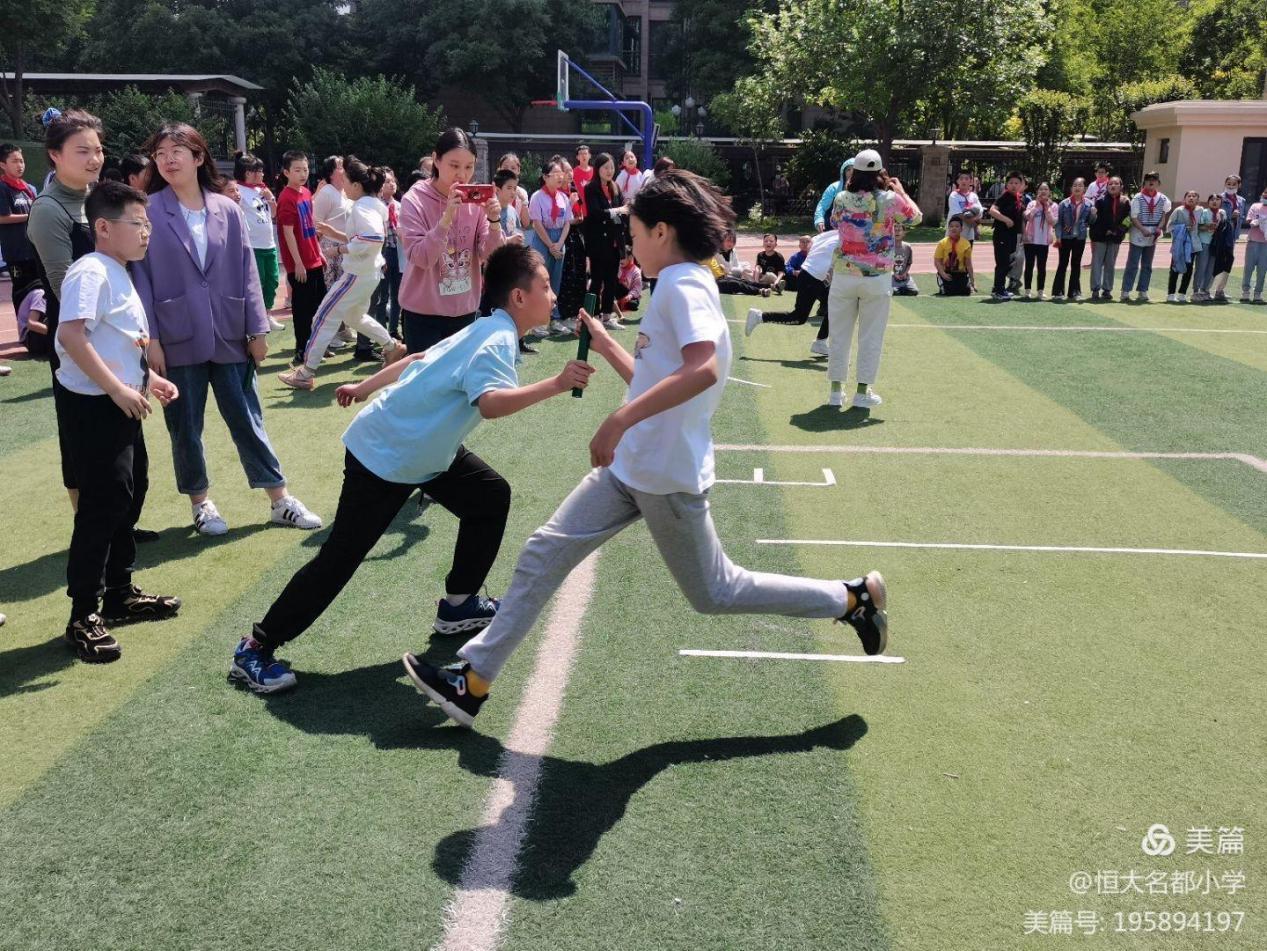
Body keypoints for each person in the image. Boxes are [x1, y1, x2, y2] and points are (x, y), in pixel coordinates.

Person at [404, 170, 890, 728]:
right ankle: (474, 679)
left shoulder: (683, 284)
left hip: (664, 472)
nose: (628, 243)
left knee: (715, 591)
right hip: (636, 465)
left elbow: (702, 368)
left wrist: (618, 418)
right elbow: (659, 376)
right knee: (545, 550)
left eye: (633, 231)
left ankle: (852, 599)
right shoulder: (678, 282)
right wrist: (610, 348)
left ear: (661, 231)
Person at [227, 244, 595, 694]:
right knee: (340, 558)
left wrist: (364, 386)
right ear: (519, 297)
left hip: (421, 453)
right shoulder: (496, 338)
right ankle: (255, 649)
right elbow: (491, 404)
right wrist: (557, 383)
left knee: (489, 495)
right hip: (389, 455)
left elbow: (419, 359)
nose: (553, 295)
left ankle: (459, 606)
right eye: (544, 287)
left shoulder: (488, 328)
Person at [134, 122, 321, 537]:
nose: (167, 160)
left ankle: (279, 498)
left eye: (177, 151)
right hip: (175, 334)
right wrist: (153, 342)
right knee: (185, 426)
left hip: (231, 331)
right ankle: (200, 502)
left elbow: (247, 271)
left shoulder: (227, 209)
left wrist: (258, 329)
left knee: (248, 418)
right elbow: (141, 279)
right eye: (161, 153)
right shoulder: (147, 210)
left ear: (198, 157)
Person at [54, 179, 182, 663]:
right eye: (138, 224)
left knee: (130, 494)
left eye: (148, 223)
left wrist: (147, 377)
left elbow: (115, 339)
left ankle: (120, 593)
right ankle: (83, 615)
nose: (147, 232)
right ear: (103, 227)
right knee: (102, 507)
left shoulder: (117, 268)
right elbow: (71, 335)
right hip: (94, 407)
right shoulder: (91, 271)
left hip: (122, 401)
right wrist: (116, 388)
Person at [27, 109, 104, 513]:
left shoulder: (98, 199)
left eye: (98, 149)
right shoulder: (47, 209)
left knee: (115, 435)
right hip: (75, 336)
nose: (94, 158)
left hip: (111, 332)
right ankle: (88, 523)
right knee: (80, 434)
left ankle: (116, 522)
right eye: (82, 151)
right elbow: (65, 288)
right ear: (54, 155)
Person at [278, 158, 408, 390]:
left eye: (346, 181)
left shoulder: (362, 206)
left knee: (322, 317)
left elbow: (371, 239)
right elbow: (365, 238)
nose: (343, 185)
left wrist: (337, 248)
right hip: (368, 274)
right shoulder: (372, 204)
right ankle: (391, 346)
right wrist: (335, 234)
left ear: (357, 185)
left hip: (356, 275)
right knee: (354, 318)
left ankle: (305, 373)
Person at [826, 150, 921, 408]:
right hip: (877, 277)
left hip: (845, 274)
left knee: (839, 335)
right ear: (881, 173)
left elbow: (835, 222)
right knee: (871, 336)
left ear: (854, 172)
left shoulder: (842, 198)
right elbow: (915, 217)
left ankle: (836, 392)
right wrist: (901, 191)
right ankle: (862, 392)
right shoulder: (890, 199)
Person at [399, 128, 504, 353]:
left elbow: (491, 256)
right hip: (423, 313)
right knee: (425, 384)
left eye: (469, 167)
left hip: (464, 311)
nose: (462, 174)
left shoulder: (476, 201)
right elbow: (421, 257)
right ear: (436, 159)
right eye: (454, 165)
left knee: (458, 383)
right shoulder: (414, 200)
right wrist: (446, 219)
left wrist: (494, 222)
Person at [745, 228, 838, 355]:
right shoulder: (845, 237)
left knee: (835, 308)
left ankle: (820, 342)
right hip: (812, 277)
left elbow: (811, 243)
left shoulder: (831, 234)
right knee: (799, 317)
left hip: (812, 275)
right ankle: (760, 316)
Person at [276, 150, 326, 362]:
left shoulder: (305, 193)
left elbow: (310, 227)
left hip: (313, 260)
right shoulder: (286, 197)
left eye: (305, 169)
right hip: (300, 264)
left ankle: (315, 347)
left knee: (319, 306)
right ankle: (301, 350)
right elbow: (287, 232)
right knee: (302, 309)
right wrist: (297, 263)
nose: (302, 174)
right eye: (297, 170)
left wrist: (320, 252)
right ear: (286, 172)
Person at [233, 152, 283, 329]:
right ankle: (257, 317)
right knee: (258, 282)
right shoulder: (238, 190)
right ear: (248, 172)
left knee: (272, 280)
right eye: (259, 171)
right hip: (253, 245)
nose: (262, 174)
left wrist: (270, 198)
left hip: (269, 243)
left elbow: (275, 214)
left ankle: (267, 314)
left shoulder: (261, 190)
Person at [526, 157, 573, 334]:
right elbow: (536, 223)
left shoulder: (563, 197)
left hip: (559, 239)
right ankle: (536, 321)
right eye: (556, 174)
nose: (560, 177)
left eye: (561, 173)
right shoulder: (537, 197)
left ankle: (554, 318)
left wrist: (559, 243)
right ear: (545, 177)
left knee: (556, 280)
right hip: (542, 239)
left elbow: (567, 222)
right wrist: (550, 245)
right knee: (539, 280)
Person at [582, 151, 625, 326]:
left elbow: (623, 212)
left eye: (612, 167)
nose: (609, 171)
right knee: (597, 279)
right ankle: (593, 315)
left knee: (611, 280)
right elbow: (595, 213)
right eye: (605, 167)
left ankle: (607, 315)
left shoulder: (615, 187)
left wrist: (625, 244)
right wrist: (617, 211)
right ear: (597, 168)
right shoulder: (590, 188)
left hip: (614, 241)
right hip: (598, 242)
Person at [1120, 171, 1170, 302]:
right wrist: (1142, 229)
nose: (1151, 182)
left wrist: (1158, 228)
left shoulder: (1163, 199)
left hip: (1152, 234)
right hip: (1138, 232)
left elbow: (1163, 216)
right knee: (1133, 264)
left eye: (1154, 179)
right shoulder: (1138, 198)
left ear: (1158, 183)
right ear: (1144, 182)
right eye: (1148, 180)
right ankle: (1125, 291)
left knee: (1147, 265)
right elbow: (1134, 217)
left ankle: (1143, 290)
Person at [0, 144, 40, 309]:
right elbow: (2, 218)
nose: (20, 165)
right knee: (21, 291)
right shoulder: (2, 188)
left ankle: (39, 330)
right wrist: (30, 216)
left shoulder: (30, 189)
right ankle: (24, 329)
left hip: (35, 251)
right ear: (2, 164)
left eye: (22, 161)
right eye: (15, 161)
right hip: (16, 254)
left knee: (40, 291)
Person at [369, 169, 403, 337]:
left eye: (393, 181)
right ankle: (381, 333)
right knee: (383, 296)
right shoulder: (376, 205)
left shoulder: (399, 206)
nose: (392, 184)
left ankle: (394, 330)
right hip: (384, 252)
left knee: (397, 295)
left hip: (398, 252)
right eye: (387, 181)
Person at [1088, 176, 1130, 301]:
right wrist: (1104, 230)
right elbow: (1095, 220)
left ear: (1121, 187)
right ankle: (1095, 289)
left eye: (1116, 183)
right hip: (1101, 237)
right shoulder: (1100, 200)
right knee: (1097, 263)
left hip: (1115, 238)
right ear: (1107, 186)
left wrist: (1118, 231)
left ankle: (1107, 290)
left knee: (1110, 265)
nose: (1113, 186)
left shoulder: (1125, 201)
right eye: (1110, 183)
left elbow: (1128, 220)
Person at [1052, 177, 1092, 300]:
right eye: (1075, 185)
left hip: (1079, 238)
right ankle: (1058, 292)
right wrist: (1058, 237)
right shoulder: (1064, 204)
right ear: (1071, 188)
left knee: (1076, 264)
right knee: (1062, 264)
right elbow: (1058, 223)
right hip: (1065, 237)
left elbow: (1090, 222)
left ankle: (1074, 292)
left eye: (1080, 186)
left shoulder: (1089, 204)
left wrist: (1094, 214)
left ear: (1084, 189)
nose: (1077, 188)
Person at [987, 171, 1025, 300]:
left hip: (1013, 236)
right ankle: (998, 290)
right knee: (1002, 263)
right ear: (1007, 185)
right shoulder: (1005, 197)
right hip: (1002, 235)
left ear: (1021, 185)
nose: (1014, 185)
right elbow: (992, 210)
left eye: (1016, 183)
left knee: (1007, 263)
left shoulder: (1019, 198)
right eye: (1011, 183)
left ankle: (999, 288)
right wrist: (1006, 220)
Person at [1165, 190, 1202, 303]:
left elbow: (1202, 224)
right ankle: (1171, 294)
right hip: (1180, 244)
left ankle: (1182, 293)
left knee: (1189, 269)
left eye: (1194, 196)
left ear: (1197, 200)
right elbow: (1169, 226)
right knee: (1175, 268)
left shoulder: (1200, 211)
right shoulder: (1179, 210)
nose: (1191, 198)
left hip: (1193, 244)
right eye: (1189, 196)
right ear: (1184, 199)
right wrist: (1183, 227)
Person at [1022, 182, 1057, 299]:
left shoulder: (1054, 206)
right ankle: (1027, 291)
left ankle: (1040, 291)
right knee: (1029, 266)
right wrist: (1037, 207)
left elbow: (1052, 222)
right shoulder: (1032, 204)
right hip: (1031, 241)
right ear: (1037, 192)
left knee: (1042, 267)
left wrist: (1046, 208)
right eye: (1041, 189)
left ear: (1049, 193)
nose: (1043, 191)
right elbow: (1027, 217)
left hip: (1043, 241)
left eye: (1046, 189)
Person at [712, 230, 770, 296]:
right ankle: (760, 291)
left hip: (724, 276)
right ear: (722, 241)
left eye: (733, 241)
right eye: (728, 240)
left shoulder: (732, 250)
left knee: (743, 280)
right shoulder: (714, 253)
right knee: (736, 283)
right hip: (716, 281)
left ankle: (770, 286)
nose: (730, 243)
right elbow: (727, 268)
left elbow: (735, 265)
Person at [1191, 194, 1223, 302]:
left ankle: (1205, 290)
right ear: (1208, 202)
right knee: (1201, 267)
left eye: (1217, 200)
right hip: (1204, 243)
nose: (1215, 202)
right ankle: (1196, 291)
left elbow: (1225, 227)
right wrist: (1207, 226)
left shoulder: (1222, 213)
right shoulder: (1204, 212)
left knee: (1211, 268)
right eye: (1212, 200)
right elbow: (1198, 227)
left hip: (1216, 244)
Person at [933, 215, 973, 296]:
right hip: (947, 272)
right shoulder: (942, 243)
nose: (954, 228)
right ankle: (942, 284)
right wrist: (943, 274)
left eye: (957, 226)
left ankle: (967, 283)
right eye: (951, 226)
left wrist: (972, 280)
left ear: (961, 229)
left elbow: (968, 263)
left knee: (965, 292)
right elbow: (937, 261)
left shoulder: (966, 244)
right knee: (948, 292)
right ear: (948, 228)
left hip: (960, 273)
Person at [814, 158, 854, 232]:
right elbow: (822, 206)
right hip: (833, 229)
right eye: (848, 169)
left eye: (854, 170)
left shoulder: (865, 191)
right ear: (843, 173)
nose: (851, 172)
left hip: (857, 230)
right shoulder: (833, 188)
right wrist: (819, 220)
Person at [1242, 185, 1267, 303]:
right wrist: (1255, 222)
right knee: (1248, 268)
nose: (1265, 196)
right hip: (1253, 241)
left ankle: (1258, 293)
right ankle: (1245, 292)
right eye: (1265, 193)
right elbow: (1248, 219)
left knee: (1262, 270)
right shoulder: (1255, 206)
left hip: (1265, 244)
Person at [946, 171, 983, 243]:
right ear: (957, 181)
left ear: (971, 182)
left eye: (966, 179)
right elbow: (958, 214)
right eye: (961, 179)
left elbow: (980, 212)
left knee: (967, 254)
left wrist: (976, 225)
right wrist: (974, 225)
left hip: (969, 236)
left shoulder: (973, 196)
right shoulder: (954, 195)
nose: (964, 181)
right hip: (954, 236)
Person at [15, 285, 49, 356]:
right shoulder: (41, 295)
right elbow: (31, 324)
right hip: (32, 339)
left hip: (32, 338)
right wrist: (55, 333)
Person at [891, 223, 917, 296]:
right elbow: (885, 264)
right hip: (891, 276)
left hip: (904, 276)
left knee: (914, 291)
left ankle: (902, 287)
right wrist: (894, 273)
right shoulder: (888, 247)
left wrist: (905, 273)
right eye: (895, 230)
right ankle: (897, 288)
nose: (897, 232)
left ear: (904, 233)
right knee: (894, 292)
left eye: (899, 230)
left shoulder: (907, 247)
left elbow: (909, 263)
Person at [616, 247, 642, 313]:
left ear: (630, 257)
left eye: (623, 258)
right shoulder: (617, 267)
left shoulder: (636, 271)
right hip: (618, 293)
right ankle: (616, 303)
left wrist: (629, 296)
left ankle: (618, 303)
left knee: (633, 304)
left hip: (630, 295)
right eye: (619, 258)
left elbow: (637, 288)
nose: (620, 261)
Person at [572, 143, 594, 218]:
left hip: (593, 208)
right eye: (581, 154)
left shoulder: (595, 172)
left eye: (585, 153)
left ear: (590, 156)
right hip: (579, 209)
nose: (583, 156)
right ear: (577, 157)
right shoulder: (573, 172)